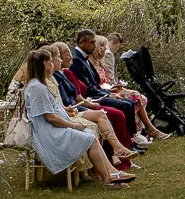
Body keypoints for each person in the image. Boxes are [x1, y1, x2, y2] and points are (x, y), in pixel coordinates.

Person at [22, 49, 133, 187]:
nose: (52, 64)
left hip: (55, 130)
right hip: (50, 135)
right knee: (89, 138)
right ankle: (108, 178)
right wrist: (72, 125)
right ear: (45, 63)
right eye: (51, 61)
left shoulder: (38, 85)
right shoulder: (36, 88)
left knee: (90, 134)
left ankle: (112, 172)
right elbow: (50, 117)